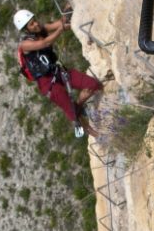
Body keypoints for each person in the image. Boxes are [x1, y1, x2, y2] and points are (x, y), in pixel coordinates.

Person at [14, 7, 101, 138]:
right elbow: (44, 43)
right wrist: (60, 30)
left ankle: (78, 105)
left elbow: (59, 24)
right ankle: (98, 136)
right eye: (31, 24)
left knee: (93, 85)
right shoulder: (25, 45)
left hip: (59, 71)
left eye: (35, 20)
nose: (36, 24)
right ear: (26, 29)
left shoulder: (42, 28)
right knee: (73, 114)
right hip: (47, 83)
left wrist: (67, 17)